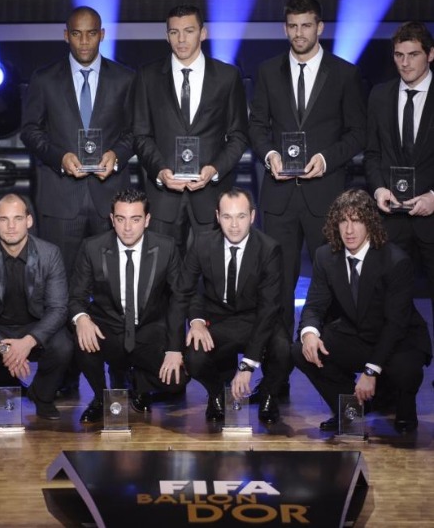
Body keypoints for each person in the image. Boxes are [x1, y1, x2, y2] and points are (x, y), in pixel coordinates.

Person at [248, 0, 366, 338]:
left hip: (325, 196)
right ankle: (279, 365)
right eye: (293, 26)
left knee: (334, 281)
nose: (299, 33)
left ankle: (329, 357)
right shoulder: (268, 71)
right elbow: (257, 126)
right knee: (277, 285)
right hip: (279, 196)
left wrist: (326, 159)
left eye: (306, 25)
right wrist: (270, 155)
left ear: (320, 27)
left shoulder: (344, 73)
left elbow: (358, 133)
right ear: (285, 29)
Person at [292, 189, 432, 433]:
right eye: (343, 221)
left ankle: (402, 403)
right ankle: (351, 408)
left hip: (398, 339)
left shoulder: (395, 260)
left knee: (404, 369)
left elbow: (395, 324)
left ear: (369, 224)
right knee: (301, 349)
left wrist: (370, 371)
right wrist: (310, 333)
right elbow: (314, 304)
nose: (349, 230)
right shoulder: (325, 256)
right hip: (356, 333)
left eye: (356, 221)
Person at [21, 5, 135, 275]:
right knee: (59, 281)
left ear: (102, 34)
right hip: (60, 199)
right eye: (76, 33)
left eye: (91, 33)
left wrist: (116, 155)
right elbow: (30, 130)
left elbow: (135, 131)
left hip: (110, 200)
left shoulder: (126, 79)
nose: (84, 41)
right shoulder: (44, 79)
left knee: (112, 281)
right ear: (66, 35)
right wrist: (59, 158)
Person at [133, 4, 248, 256]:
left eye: (189, 31)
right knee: (161, 274)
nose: (181, 39)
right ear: (167, 36)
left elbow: (239, 135)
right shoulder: (147, 76)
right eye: (174, 32)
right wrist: (160, 171)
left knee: (214, 274)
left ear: (203, 33)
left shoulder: (227, 77)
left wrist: (214, 169)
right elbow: (141, 135)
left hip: (212, 196)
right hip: (163, 197)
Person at [169, 187, 291, 424]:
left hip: (257, 319)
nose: (234, 225)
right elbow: (182, 293)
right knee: (193, 355)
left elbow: (269, 309)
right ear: (217, 216)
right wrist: (187, 332)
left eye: (241, 216)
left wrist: (247, 365)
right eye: (227, 217)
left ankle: (268, 394)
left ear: (252, 216)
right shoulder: (203, 244)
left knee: (284, 349)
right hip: (218, 319)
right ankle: (217, 393)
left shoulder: (269, 249)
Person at [69, 189, 186, 422]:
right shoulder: (92, 247)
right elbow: (75, 297)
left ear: (147, 220)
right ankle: (102, 396)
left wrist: (174, 348)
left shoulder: (166, 247)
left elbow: (179, 297)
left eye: (135, 219)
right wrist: (81, 318)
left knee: (177, 381)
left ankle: (136, 383)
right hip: (108, 329)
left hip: (149, 331)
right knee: (80, 337)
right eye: (121, 219)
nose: (128, 227)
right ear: (112, 219)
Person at [0, 194, 71, 422]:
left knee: (64, 345)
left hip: (34, 326)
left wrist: (27, 342)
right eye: (4, 219)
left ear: (29, 221)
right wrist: (3, 348)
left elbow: (58, 308)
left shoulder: (49, 254)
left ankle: (42, 396)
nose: (11, 226)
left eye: (18, 218)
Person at [364, 21, 434, 320]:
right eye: (398, 55)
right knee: (388, 307)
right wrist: (379, 188)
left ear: (430, 54)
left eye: (413, 54)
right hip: (391, 219)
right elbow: (372, 153)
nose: (405, 63)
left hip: (432, 217)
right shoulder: (380, 95)